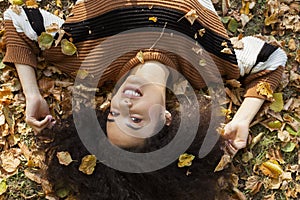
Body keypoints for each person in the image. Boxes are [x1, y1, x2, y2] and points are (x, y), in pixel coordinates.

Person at [3, 0, 287, 152]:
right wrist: (241, 120)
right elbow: (272, 59)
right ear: (166, 117)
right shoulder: (207, 64)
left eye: (114, 116)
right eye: (136, 120)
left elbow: (17, 20)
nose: (124, 106)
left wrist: (32, 93)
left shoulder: (84, 60)